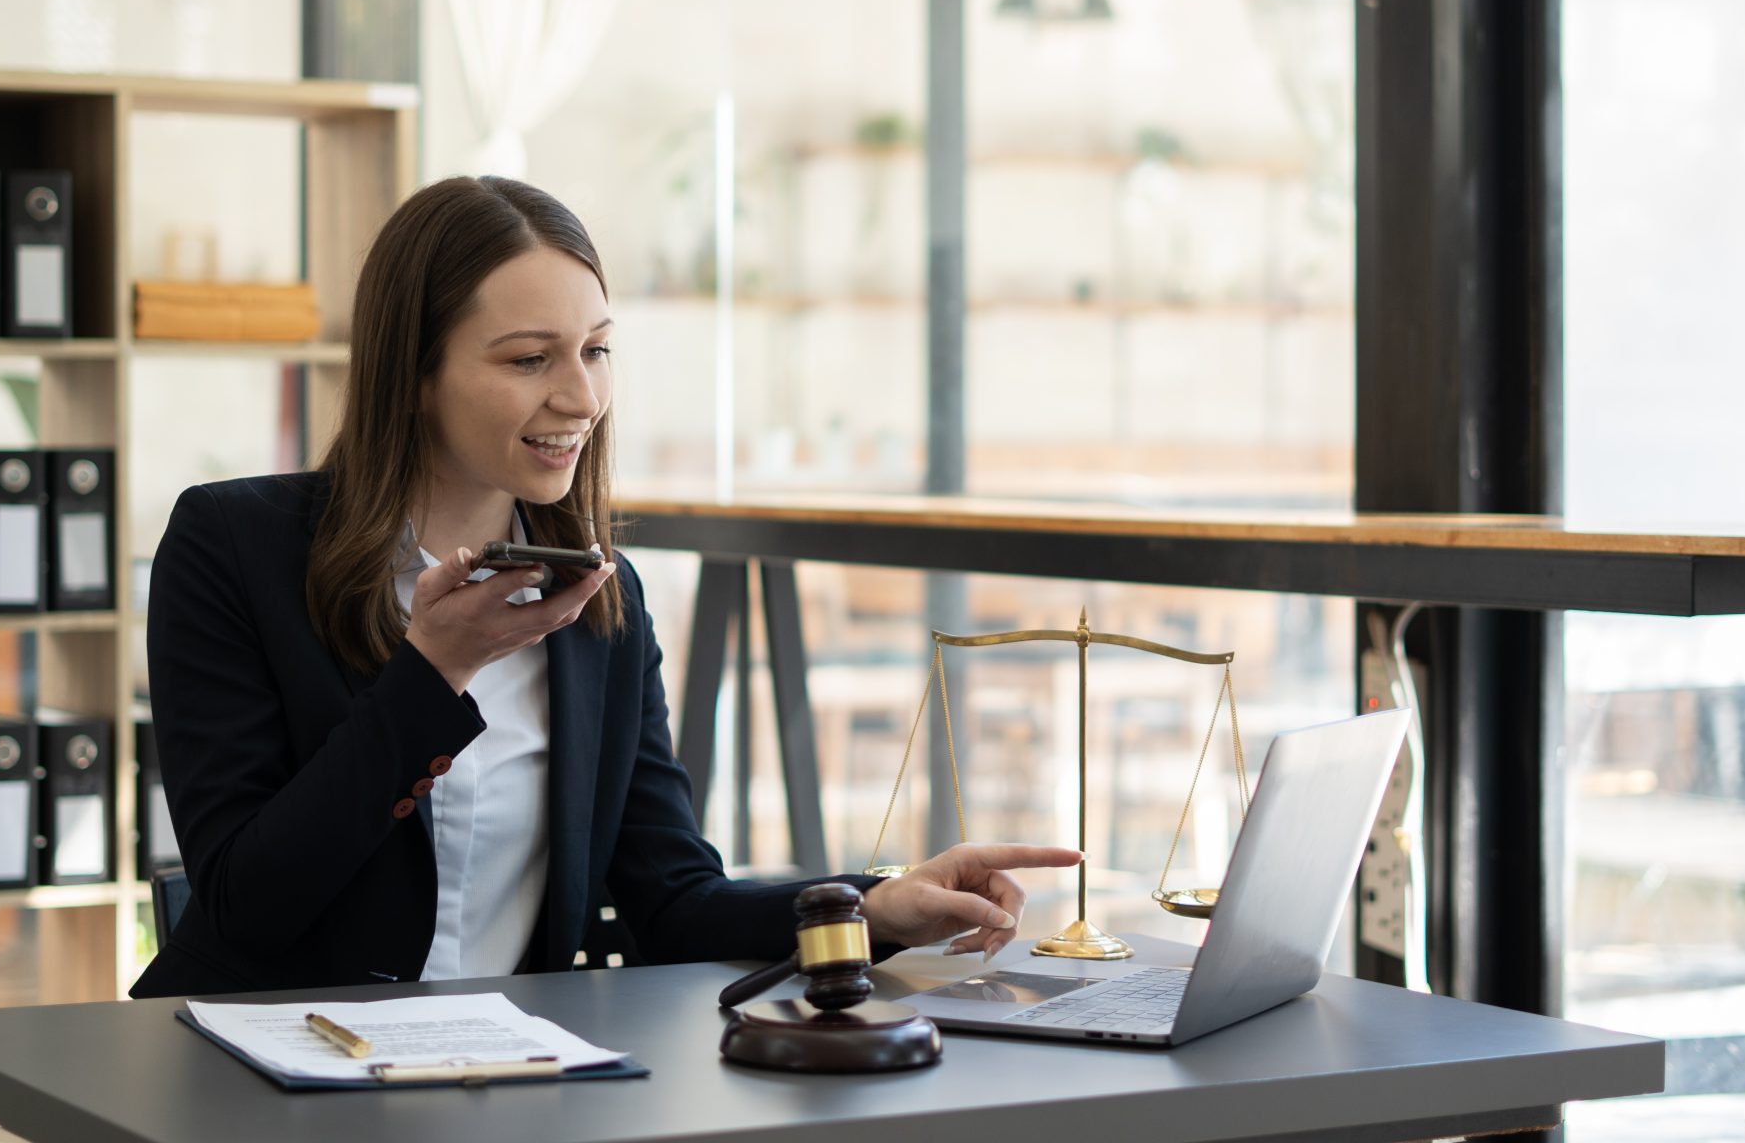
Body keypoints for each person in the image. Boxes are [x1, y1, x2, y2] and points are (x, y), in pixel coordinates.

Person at [129, 175, 1077, 997]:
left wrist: (874, 906)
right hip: (259, 1074)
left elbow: (673, 901)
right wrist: (431, 674)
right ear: (412, 372)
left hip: (505, 1074)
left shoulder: (599, 602)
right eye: (530, 358)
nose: (581, 398)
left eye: (597, 350)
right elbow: (245, 907)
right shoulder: (232, 548)